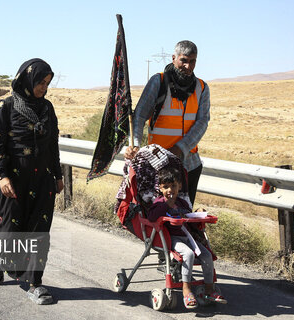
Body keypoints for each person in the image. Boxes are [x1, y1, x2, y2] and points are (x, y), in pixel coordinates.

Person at [0, 58, 63, 305]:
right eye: (40, 83)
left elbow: (53, 144)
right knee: (10, 230)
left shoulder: (47, 109)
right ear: (27, 79)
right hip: (12, 180)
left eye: (47, 84)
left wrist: (57, 175)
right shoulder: (6, 106)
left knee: (38, 230)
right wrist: (1, 175)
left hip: (42, 180)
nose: (43, 89)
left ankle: (35, 283)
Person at [125, 40, 210, 207]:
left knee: (183, 218)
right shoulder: (158, 82)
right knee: (157, 218)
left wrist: (180, 148)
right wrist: (135, 144)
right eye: (183, 60)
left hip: (189, 165)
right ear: (174, 58)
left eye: (192, 61)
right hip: (158, 164)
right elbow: (140, 116)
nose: (188, 66)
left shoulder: (202, 88)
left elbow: (202, 122)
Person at [148, 166, 226, 309]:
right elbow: (152, 216)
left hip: (188, 237)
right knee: (188, 254)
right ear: (160, 188)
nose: (170, 190)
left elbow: (189, 216)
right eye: (166, 187)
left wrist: (198, 213)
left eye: (173, 186)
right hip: (172, 238)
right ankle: (186, 289)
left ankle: (209, 289)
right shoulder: (159, 203)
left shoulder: (182, 203)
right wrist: (166, 205)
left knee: (207, 255)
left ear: (179, 186)